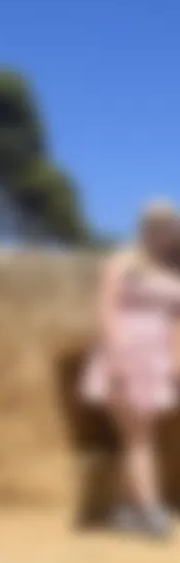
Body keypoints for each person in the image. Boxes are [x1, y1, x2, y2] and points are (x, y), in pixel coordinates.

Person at [81, 200, 180, 538]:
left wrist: (175, 362)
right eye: (158, 226)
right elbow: (106, 312)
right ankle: (149, 510)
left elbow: (175, 323)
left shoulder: (168, 271)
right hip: (125, 357)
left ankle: (126, 509)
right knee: (139, 438)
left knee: (136, 438)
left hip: (156, 362)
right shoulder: (123, 264)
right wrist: (117, 361)